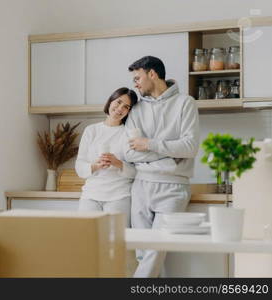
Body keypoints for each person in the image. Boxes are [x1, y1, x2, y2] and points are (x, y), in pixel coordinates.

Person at [125, 56, 200, 277]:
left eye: (137, 78)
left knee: (154, 253)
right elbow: (129, 152)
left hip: (173, 188)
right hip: (140, 186)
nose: (135, 84)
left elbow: (189, 147)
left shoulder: (185, 103)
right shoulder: (137, 109)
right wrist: (169, 156)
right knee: (143, 253)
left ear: (152, 74)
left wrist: (148, 144)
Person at [75, 87, 137, 227]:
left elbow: (136, 172)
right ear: (110, 101)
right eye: (118, 102)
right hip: (90, 195)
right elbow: (79, 167)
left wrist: (118, 163)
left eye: (126, 106)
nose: (120, 108)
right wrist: (95, 166)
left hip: (119, 196)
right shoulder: (91, 130)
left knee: (116, 243)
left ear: (129, 111)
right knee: (85, 240)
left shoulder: (129, 133)